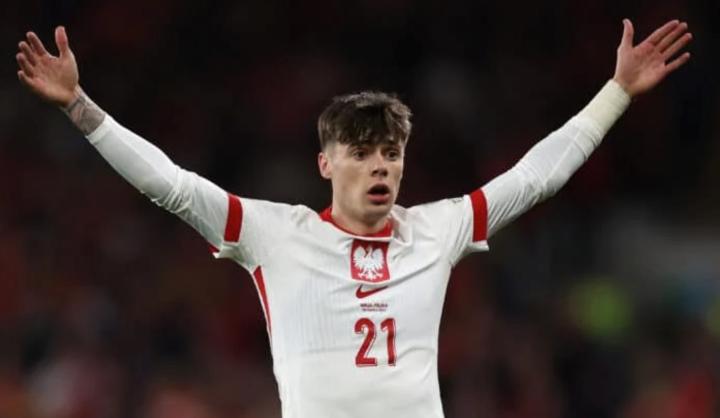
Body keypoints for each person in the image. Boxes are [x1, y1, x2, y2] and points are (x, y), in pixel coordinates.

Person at [16, 19, 692, 418]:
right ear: (325, 164)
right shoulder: (275, 234)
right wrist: (79, 106)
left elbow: (536, 177)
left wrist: (616, 92)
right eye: (363, 154)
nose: (381, 167)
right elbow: (171, 185)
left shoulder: (438, 230)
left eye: (391, 154)